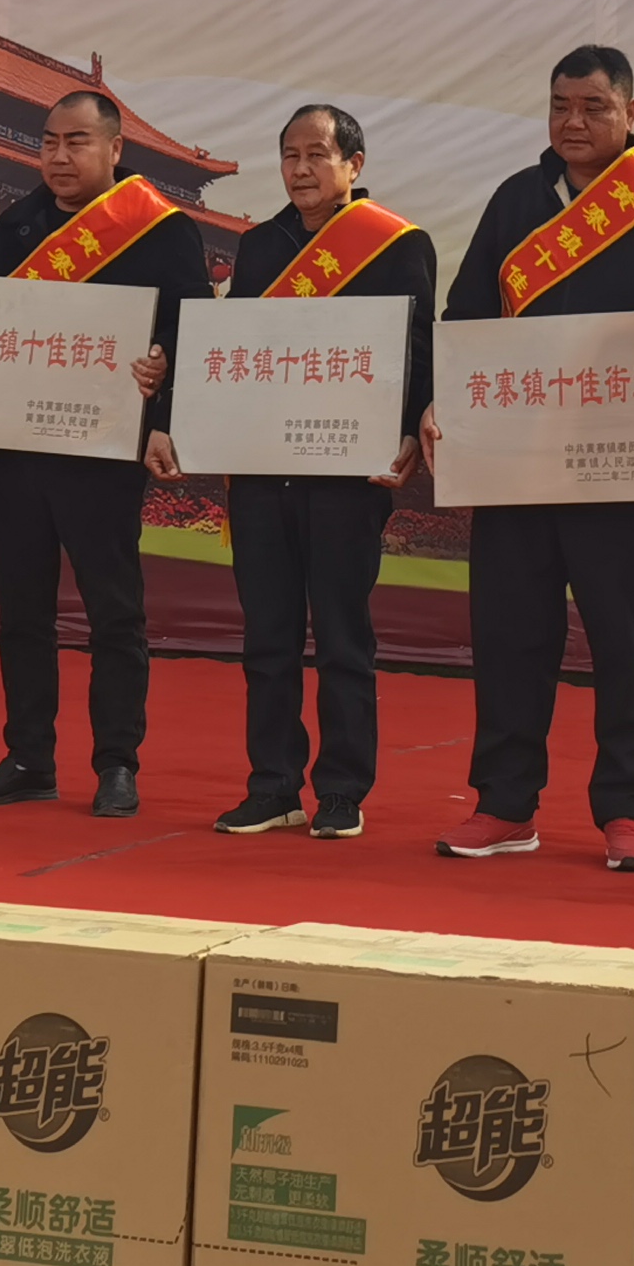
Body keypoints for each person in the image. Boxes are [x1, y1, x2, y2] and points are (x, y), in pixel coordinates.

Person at [428, 45, 634, 874]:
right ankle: (505, 804)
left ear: (630, 114)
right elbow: (467, 316)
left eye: (594, 107)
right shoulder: (516, 201)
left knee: (627, 644)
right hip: (518, 464)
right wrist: (444, 399)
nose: (574, 122)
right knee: (510, 638)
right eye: (560, 106)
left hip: (623, 463)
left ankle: (628, 809)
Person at [0, 89, 212, 820]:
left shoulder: (161, 229)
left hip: (103, 452)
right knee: (20, 609)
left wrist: (163, 389)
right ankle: (28, 757)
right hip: (18, 449)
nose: (60, 157)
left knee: (113, 612)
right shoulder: (19, 223)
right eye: (49, 142)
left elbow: (192, 331)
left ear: (115, 149)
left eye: (78, 142)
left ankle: (116, 763)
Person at [212, 104, 436, 842]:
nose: (302, 169)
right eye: (290, 155)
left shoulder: (397, 244)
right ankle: (272, 785)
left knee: (342, 636)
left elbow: (417, 352)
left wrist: (406, 431)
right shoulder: (260, 247)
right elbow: (237, 348)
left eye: (318, 155)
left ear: (354, 165)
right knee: (267, 637)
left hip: (347, 472)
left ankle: (342, 788)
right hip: (263, 469)